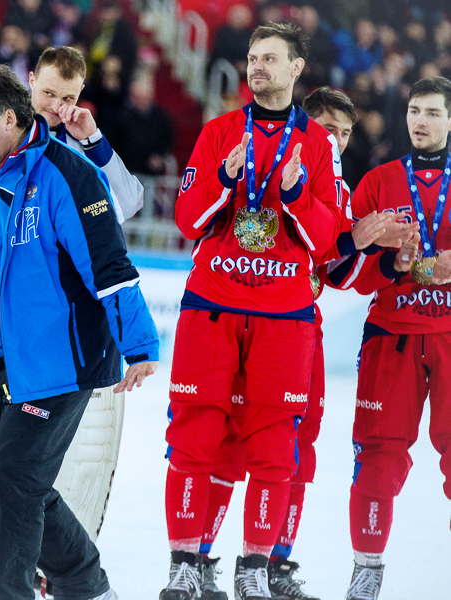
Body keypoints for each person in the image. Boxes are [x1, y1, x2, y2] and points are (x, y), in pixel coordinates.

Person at [0, 64, 159, 600]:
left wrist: (139, 343)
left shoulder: (68, 174)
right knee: (6, 481)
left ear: (10, 117)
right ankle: (84, 583)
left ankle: (4, 592)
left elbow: (108, 265)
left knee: (13, 474)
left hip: (61, 361)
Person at [192, 87, 417, 600]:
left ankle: (273, 564)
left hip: (299, 328)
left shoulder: (339, 188)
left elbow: (341, 274)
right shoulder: (270, 174)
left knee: (296, 450)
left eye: (344, 132)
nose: (335, 139)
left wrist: (386, 261)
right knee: (227, 441)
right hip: (242, 318)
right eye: (327, 128)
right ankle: (199, 559)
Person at [164, 23, 344, 600]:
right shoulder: (218, 133)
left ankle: (254, 570)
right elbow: (187, 220)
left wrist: (295, 196)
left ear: (296, 68)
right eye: (251, 57)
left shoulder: (317, 145)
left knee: (273, 446)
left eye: (269, 58)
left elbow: (328, 244)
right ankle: (186, 565)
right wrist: (224, 179)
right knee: (195, 436)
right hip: (212, 305)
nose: (256, 66)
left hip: (283, 317)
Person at [336, 76, 451, 600]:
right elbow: (350, 276)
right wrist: (388, 260)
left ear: (449, 120)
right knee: (378, 457)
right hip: (393, 334)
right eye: (413, 110)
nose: (419, 121)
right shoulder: (379, 181)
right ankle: (367, 573)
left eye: (431, 112)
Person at [28, 45, 144, 222]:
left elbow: (127, 205)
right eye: (48, 93)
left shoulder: (83, 144)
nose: (56, 106)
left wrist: (93, 139)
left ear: (80, 91)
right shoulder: (3, 134)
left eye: (67, 98)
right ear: (32, 81)